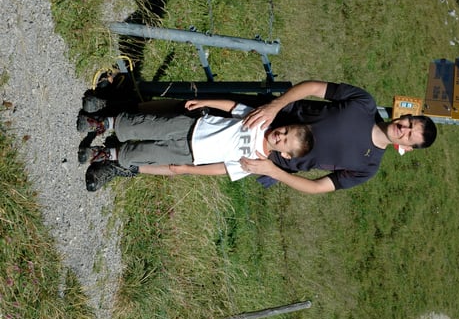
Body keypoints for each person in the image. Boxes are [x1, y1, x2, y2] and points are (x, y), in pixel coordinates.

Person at [235, 80, 437, 194]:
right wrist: (274, 106)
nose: (404, 129)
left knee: (214, 155)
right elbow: (313, 87)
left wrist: (274, 172)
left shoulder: (368, 168)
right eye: (410, 123)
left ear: (407, 147)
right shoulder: (364, 102)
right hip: (264, 114)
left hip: (265, 155)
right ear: (406, 115)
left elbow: (317, 187)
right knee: (214, 103)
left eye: (409, 136)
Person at [78, 99, 314, 191]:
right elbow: (234, 107)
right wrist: (205, 102)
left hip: (189, 154)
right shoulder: (261, 121)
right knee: (145, 125)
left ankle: (103, 154)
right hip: (190, 126)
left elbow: (221, 169)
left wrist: (188, 169)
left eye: (285, 141)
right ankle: (101, 123)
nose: (280, 135)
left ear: (285, 154)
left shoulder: (257, 163)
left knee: (144, 153)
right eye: (286, 130)